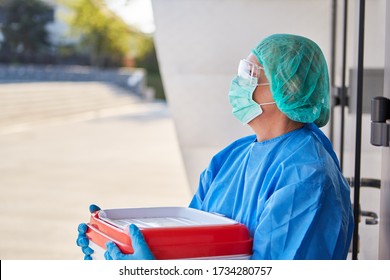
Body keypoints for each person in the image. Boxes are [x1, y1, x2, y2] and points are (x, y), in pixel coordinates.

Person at [77, 33, 354, 260]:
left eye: (249, 73)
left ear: (288, 89)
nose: (238, 83)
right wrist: (115, 239)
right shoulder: (230, 158)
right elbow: (191, 243)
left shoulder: (307, 176)